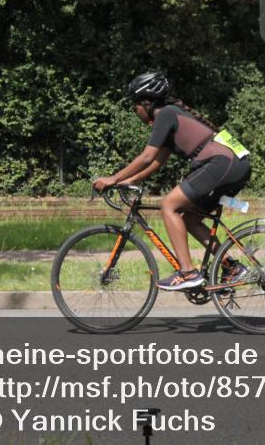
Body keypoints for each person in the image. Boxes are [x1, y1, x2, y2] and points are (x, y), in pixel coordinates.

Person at [92, 72, 252, 291]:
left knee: (169, 205)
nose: (134, 111)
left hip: (222, 164)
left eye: (135, 105)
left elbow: (147, 156)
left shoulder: (166, 114)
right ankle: (232, 268)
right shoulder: (170, 115)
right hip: (232, 165)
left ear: (147, 103)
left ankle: (188, 273)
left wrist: (112, 179)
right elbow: (158, 160)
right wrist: (128, 180)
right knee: (189, 220)